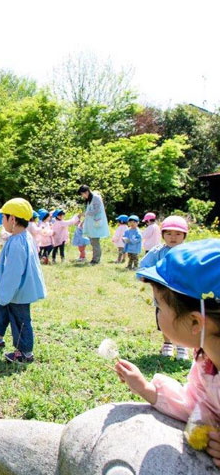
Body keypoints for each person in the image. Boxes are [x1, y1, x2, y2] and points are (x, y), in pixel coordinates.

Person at [115, 239, 220, 466]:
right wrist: (148, 390)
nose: (156, 313)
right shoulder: (207, 362)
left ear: (195, 322)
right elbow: (197, 406)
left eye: (159, 306)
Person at [0, 198, 46, 363]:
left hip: (18, 291)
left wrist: (4, 293)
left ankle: (25, 352)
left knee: (21, 320)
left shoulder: (17, 243)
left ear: (13, 219)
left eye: (4, 217)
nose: (2, 221)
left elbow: (14, 272)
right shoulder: (24, 236)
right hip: (15, 291)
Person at [139, 215, 190, 360]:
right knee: (165, 319)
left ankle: (182, 346)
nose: (173, 237)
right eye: (168, 233)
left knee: (183, 320)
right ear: (162, 235)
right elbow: (144, 266)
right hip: (162, 294)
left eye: (178, 234)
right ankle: (167, 344)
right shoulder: (158, 251)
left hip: (183, 294)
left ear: (184, 235)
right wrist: (148, 277)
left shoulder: (188, 251)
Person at [78, 185, 109, 265]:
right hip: (91, 224)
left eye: (82, 194)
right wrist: (83, 221)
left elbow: (96, 210)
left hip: (96, 223)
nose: (83, 196)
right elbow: (89, 212)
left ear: (87, 192)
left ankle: (96, 260)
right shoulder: (89, 199)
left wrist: (84, 214)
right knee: (93, 242)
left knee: (95, 242)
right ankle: (95, 258)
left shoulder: (96, 198)